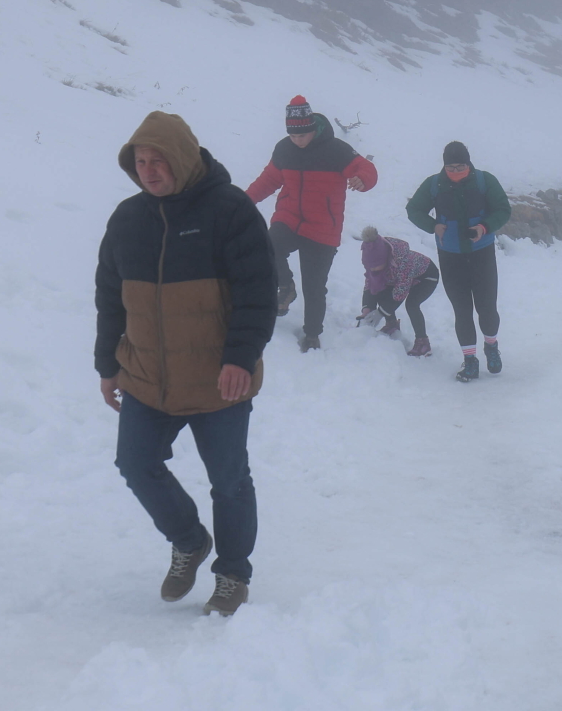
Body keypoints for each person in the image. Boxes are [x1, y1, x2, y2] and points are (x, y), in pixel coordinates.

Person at [94, 111, 275, 617]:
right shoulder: (128, 219)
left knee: (229, 481)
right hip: (148, 377)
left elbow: (258, 292)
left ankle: (232, 574)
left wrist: (240, 358)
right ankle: (190, 541)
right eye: (140, 162)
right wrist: (107, 364)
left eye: (159, 160)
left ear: (183, 157)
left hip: (219, 380)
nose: (149, 171)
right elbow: (110, 298)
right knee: (135, 463)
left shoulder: (230, 210)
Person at [246, 96, 378, 352]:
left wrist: (362, 179)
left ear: (312, 128)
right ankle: (286, 287)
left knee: (314, 286)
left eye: (302, 135)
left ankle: (312, 334)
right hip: (289, 218)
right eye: (293, 136)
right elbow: (268, 180)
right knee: (267, 246)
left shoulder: (336, 150)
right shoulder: (284, 149)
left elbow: (366, 168)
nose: (297, 140)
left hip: (322, 228)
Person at [406, 142, 511, 382]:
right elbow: (414, 209)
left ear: (468, 163)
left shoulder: (485, 181)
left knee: (487, 308)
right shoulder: (434, 184)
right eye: (451, 167)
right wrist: (433, 225)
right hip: (450, 256)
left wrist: (484, 227)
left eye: (460, 167)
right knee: (462, 311)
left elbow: (503, 209)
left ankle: (491, 346)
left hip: (482, 254)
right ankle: (470, 360)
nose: (455, 172)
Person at [357, 227, 437, 357]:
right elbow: (370, 285)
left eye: (375, 266)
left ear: (384, 259)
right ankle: (391, 324)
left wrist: (381, 312)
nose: (373, 269)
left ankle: (423, 342)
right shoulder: (375, 264)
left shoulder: (403, 263)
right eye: (370, 267)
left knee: (412, 304)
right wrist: (367, 308)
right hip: (402, 277)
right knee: (379, 287)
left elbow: (400, 293)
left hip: (426, 277)